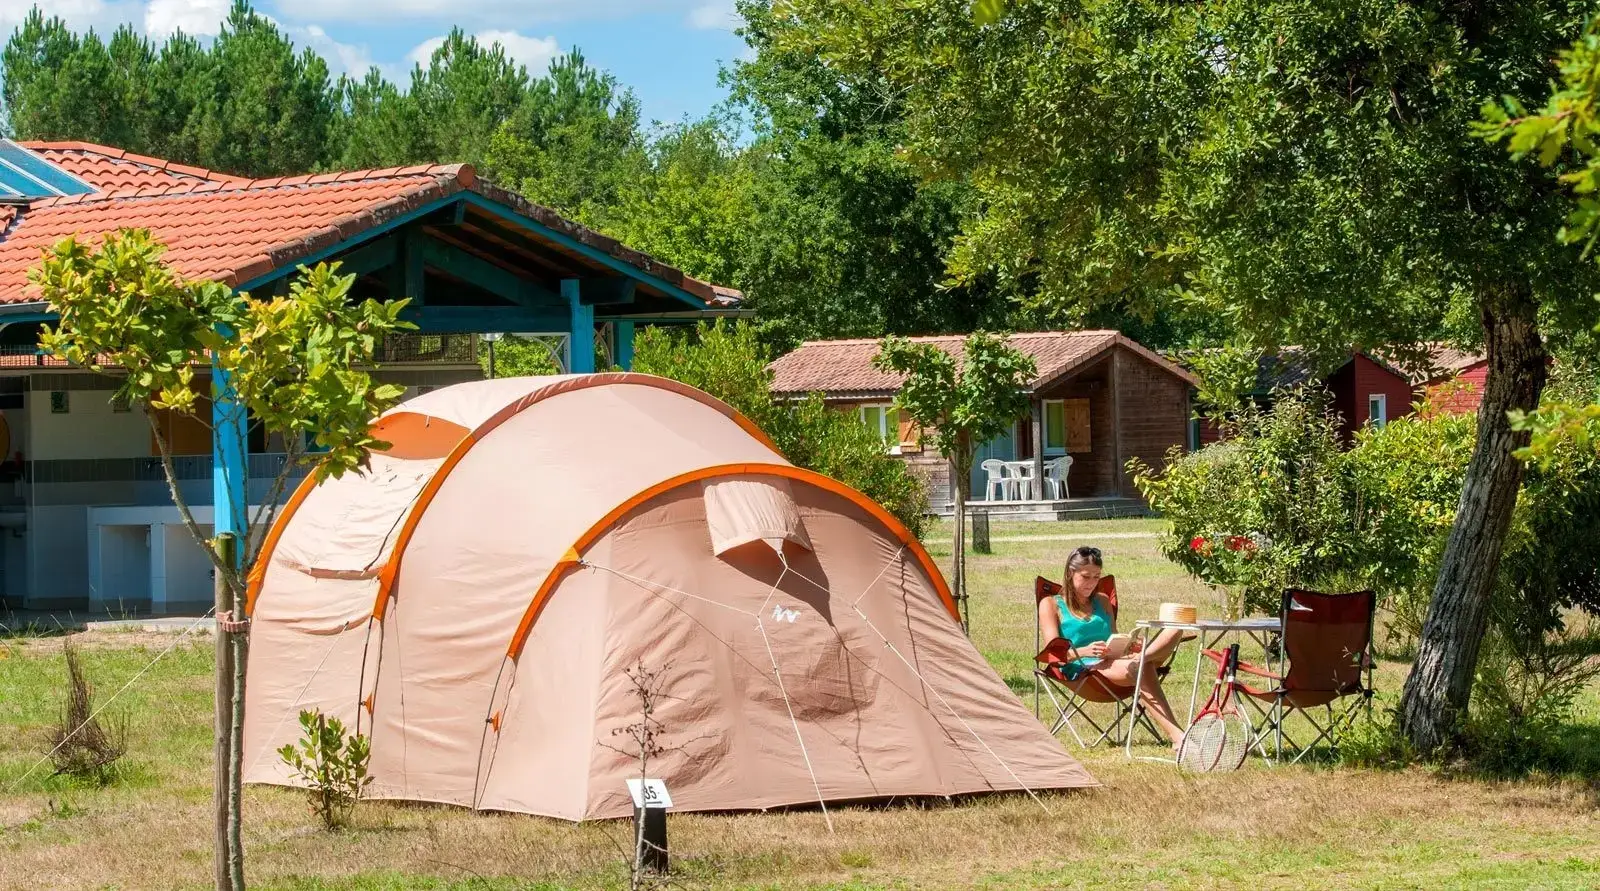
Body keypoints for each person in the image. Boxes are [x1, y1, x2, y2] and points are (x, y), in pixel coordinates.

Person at [1037, 545, 1188, 749]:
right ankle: (1179, 737)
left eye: (1096, 577)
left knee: (1174, 630)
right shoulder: (1051, 604)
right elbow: (1052, 654)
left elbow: (1113, 636)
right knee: (1141, 666)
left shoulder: (1102, 600)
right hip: (1084, 670)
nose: (1091, 583)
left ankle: (1144, 655)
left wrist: (1129, 645)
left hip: (1115, 661)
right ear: (1070, 573)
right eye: (1085, 576)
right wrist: (1084, 651)